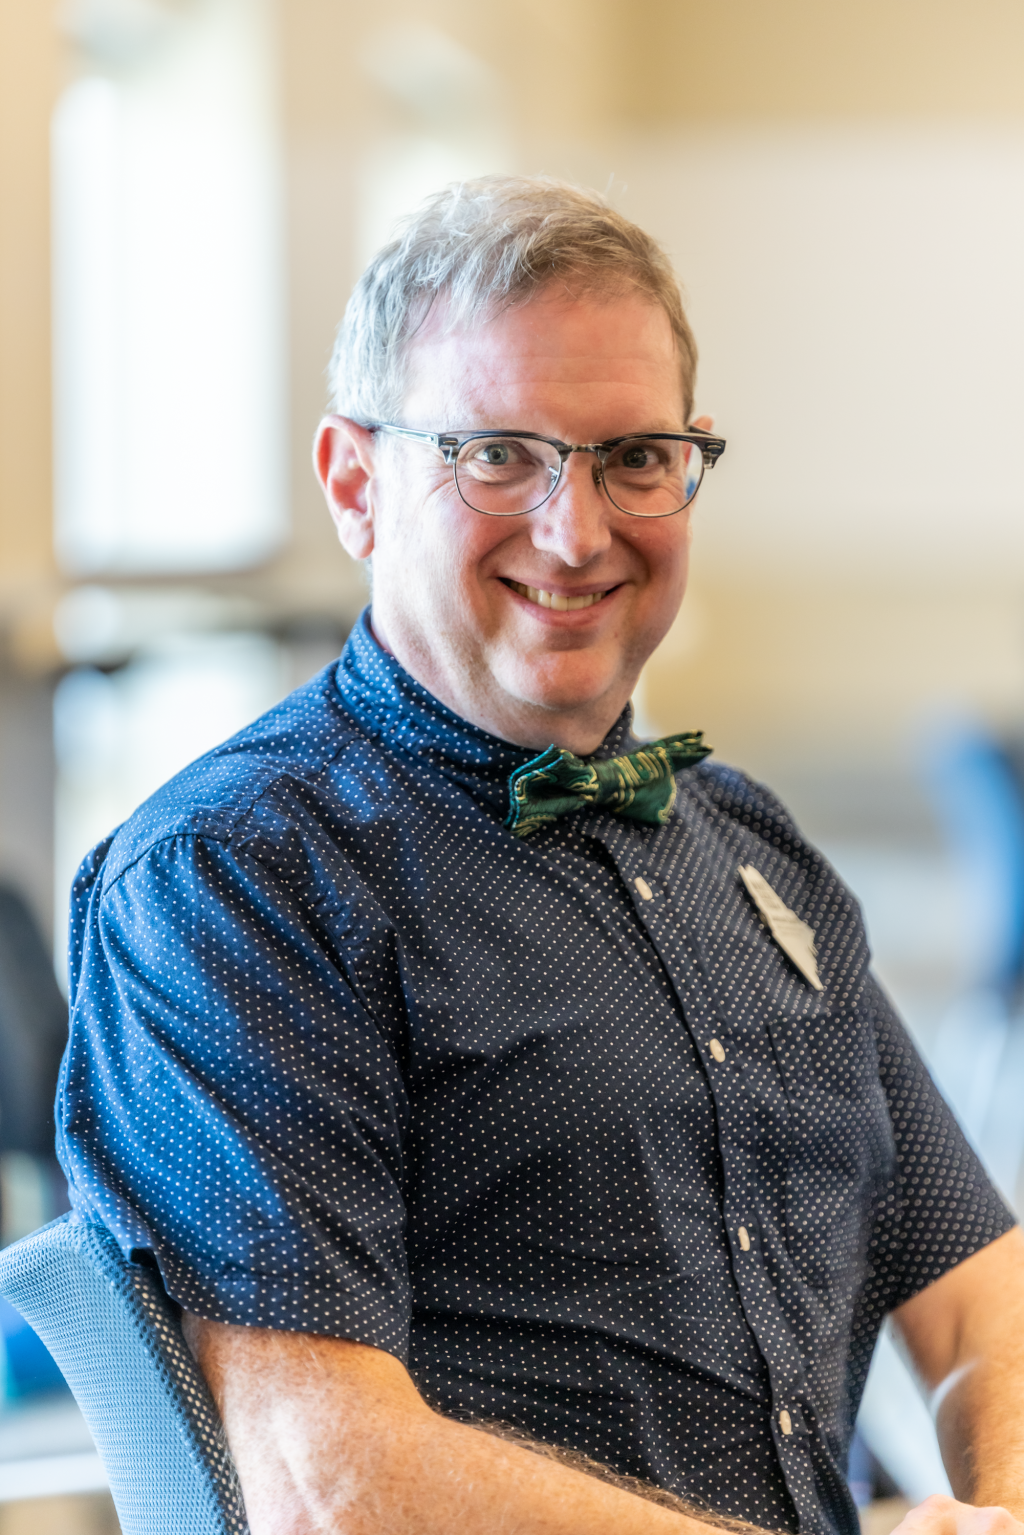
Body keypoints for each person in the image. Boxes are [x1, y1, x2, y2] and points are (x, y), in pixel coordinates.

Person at [58, 177, 1024, 1535]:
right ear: (356, 481)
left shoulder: (749, 848)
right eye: (498, 454)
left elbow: (980, 1280)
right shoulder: (234, 881)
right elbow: (329, 1483)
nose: (577, 531)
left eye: (634, 456)